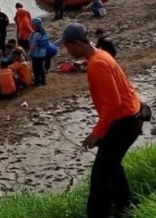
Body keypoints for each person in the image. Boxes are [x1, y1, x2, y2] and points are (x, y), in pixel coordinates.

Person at [60, 23, 143, 218]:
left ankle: (99, 214)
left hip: (124, 121)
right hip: (129, 116)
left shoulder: (97, 64)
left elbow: (113, 104)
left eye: (67, 46)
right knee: (111, 166)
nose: (67, 50)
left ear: (77, 43)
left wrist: (97, 133)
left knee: (100, 175)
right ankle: (125, 206)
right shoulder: (101, 55)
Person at [28, 18, 50, 86]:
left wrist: (30, 53)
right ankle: (43, 81)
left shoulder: (36, 34)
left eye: (33, 25)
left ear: (36, 25)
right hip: (43, 52)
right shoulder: (44, 32)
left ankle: (37, 82)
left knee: (36, 68)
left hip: (36, 53)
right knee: (41, 67)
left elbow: (33, 45)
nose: (32, 26)